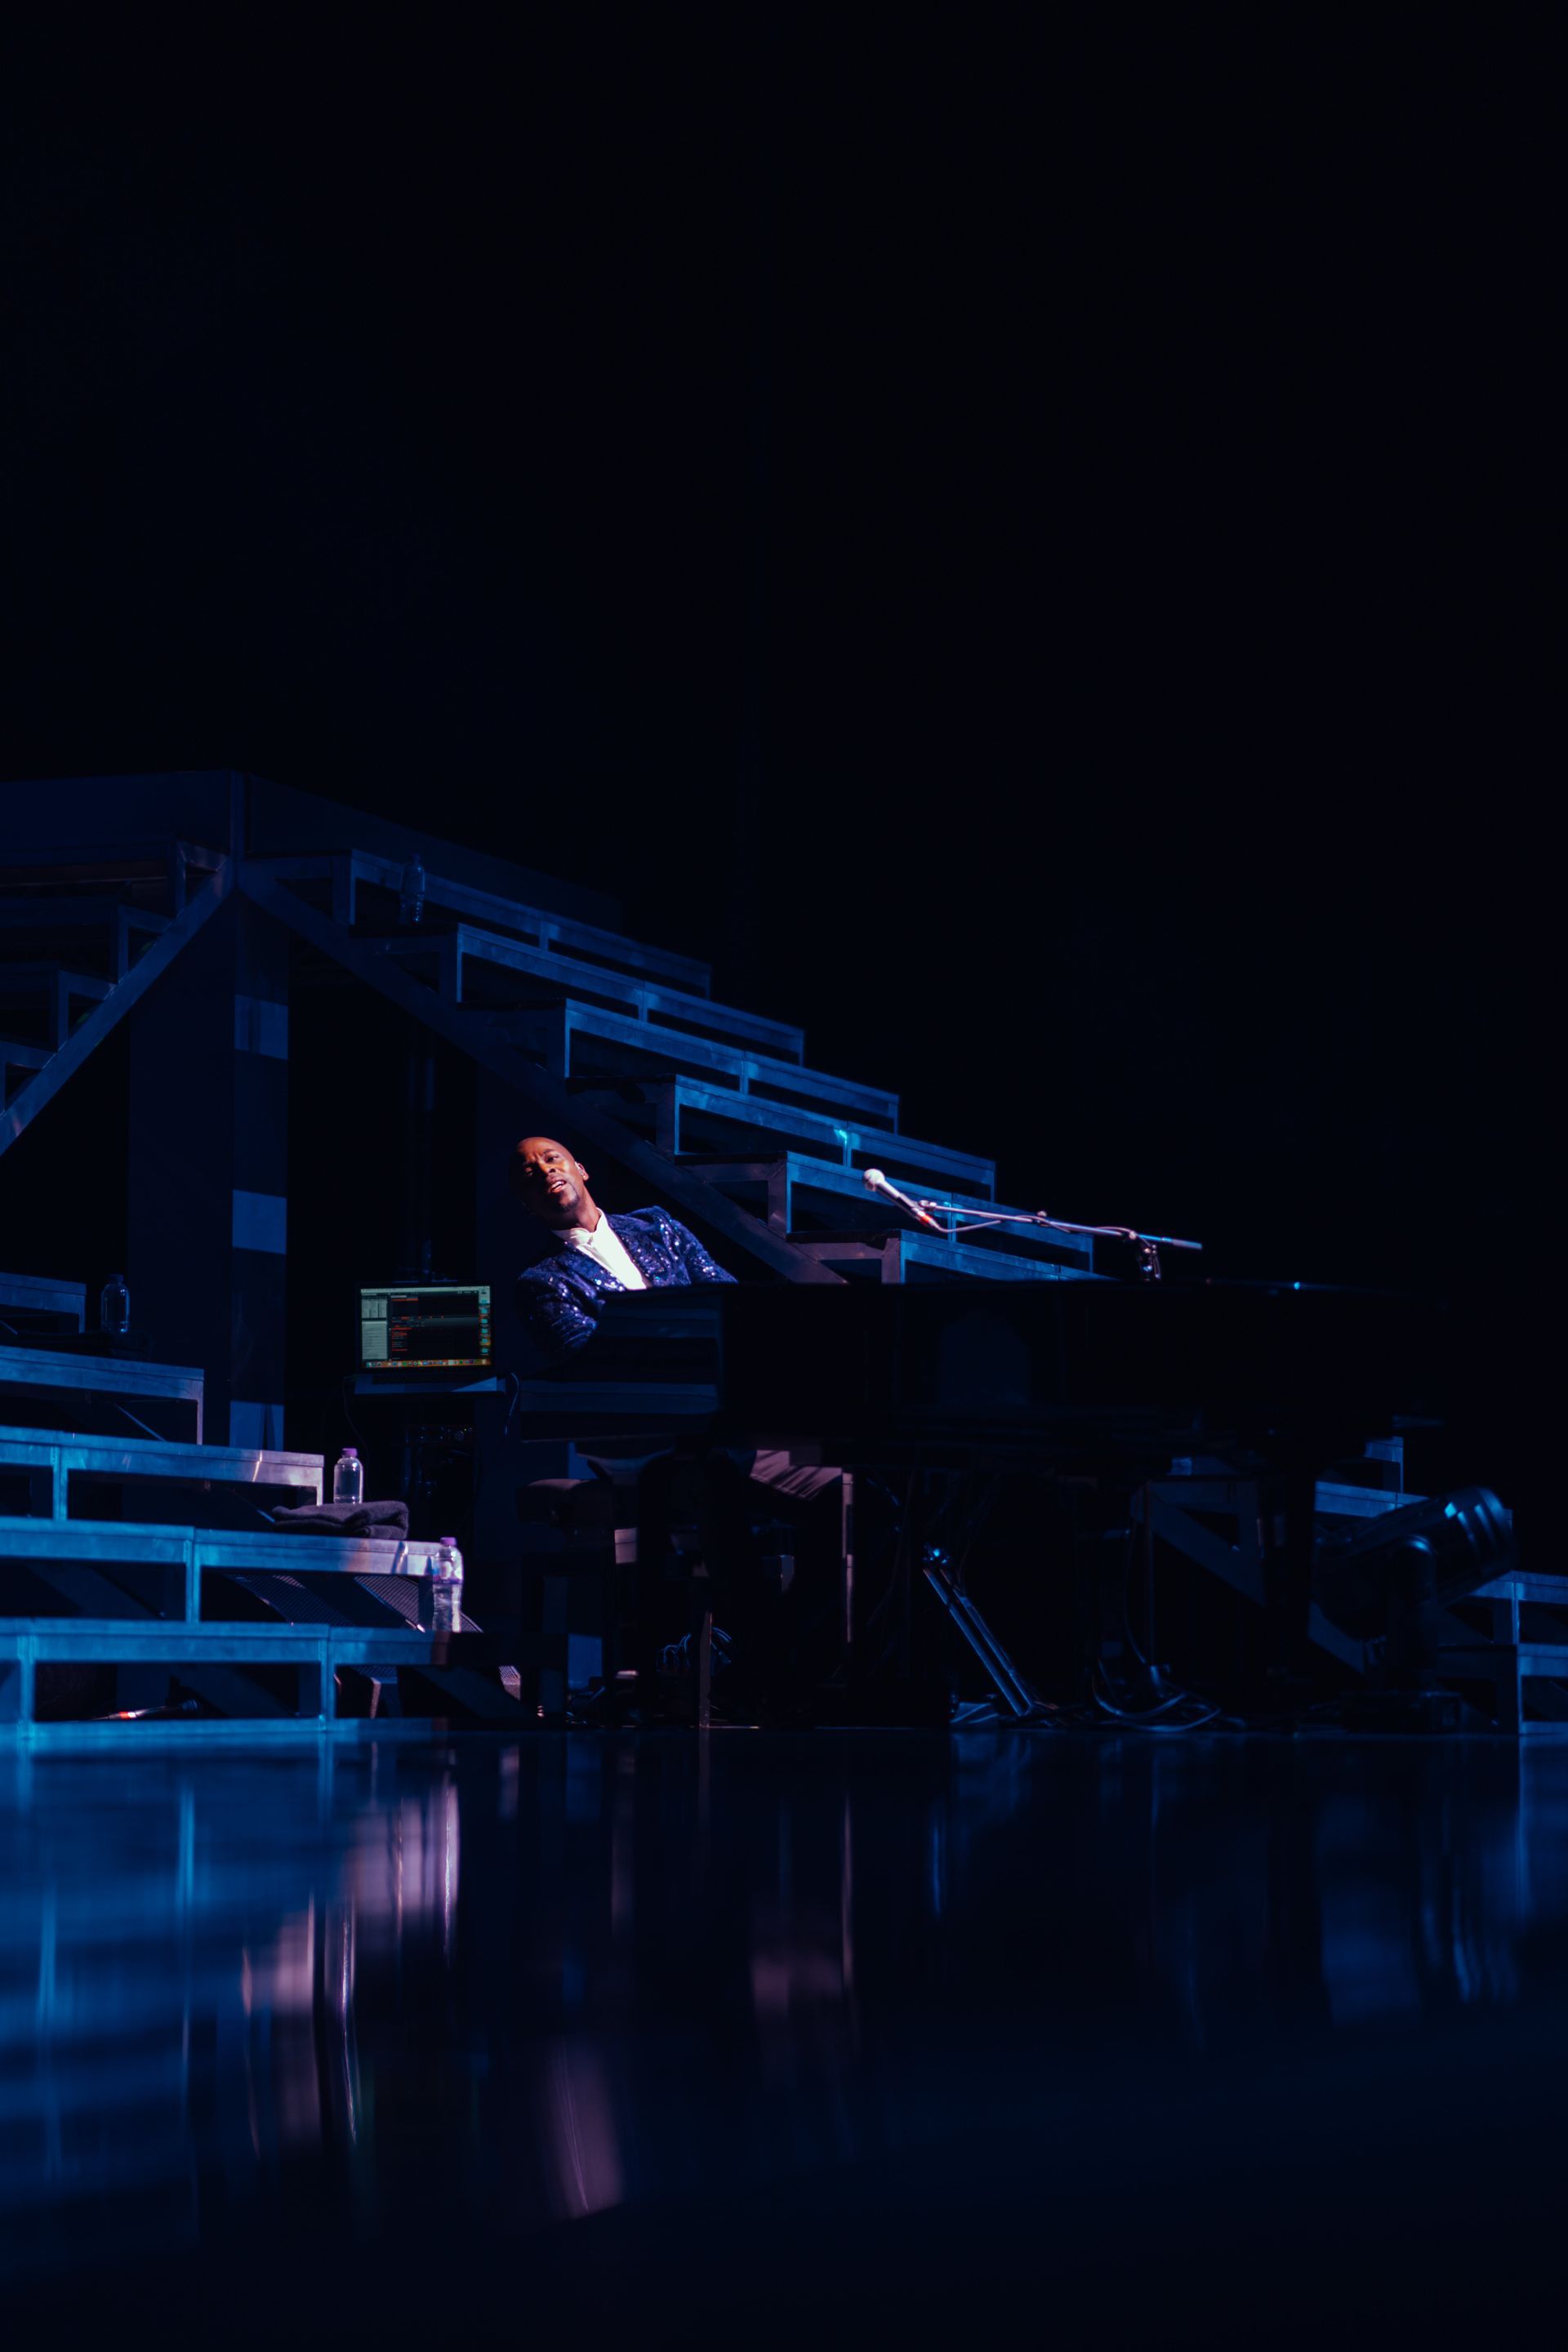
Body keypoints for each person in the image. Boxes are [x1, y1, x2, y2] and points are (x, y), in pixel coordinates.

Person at [510, 1134, 735, 1361]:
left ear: (581, 1170)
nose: (545, 1170)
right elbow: (590, 1358)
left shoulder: (656, 1225)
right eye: (529, 1172)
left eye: (551, 1158)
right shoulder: (540, 1282)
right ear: (527, 1206)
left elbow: (726, 1296)